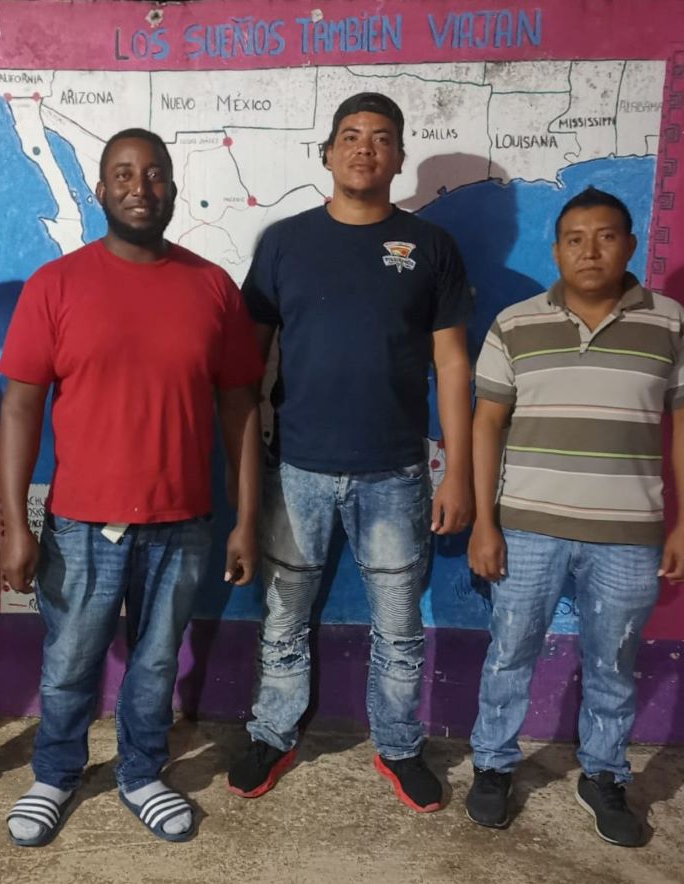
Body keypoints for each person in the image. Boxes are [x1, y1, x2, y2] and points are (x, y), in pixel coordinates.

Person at [0, 128, 263, 846]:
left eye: (154, 175)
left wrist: (247, 518)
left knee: (154, 664)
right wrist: (13, 525)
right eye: (123, 174)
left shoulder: (211, 287)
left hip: (184, 521)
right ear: (101, 189)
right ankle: (53, 774)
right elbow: (20, 405)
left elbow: (241, 405)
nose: (139, 188)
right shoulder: (57, 285)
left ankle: (142, 773)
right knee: (68, 663)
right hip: (82, 524)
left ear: (173, 188)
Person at [227, 93, 473, 812]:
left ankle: (398, 746)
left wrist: (455, 470)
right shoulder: (283, 243)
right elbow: (249, 363)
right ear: (327, 154)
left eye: (382, 138)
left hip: (396, 474)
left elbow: (452, 365)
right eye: (351, 136)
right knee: (282, 618)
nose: (365, 148)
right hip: (296, 470)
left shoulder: (431, 248)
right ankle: (272, 732)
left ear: (399, 158)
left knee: (398, 628)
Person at [465, 187, 684, 846]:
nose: (591, 250)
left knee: (614, 661)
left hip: (628, 534)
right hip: (526, 526)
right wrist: (485, 521)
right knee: (509, 653)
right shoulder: (515, 323)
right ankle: (494, 765)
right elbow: (486, 425)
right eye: (575, 238)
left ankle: (604, 775)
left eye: (607, 235)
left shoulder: (669, 324)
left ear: (631, 244)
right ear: (556, 248)